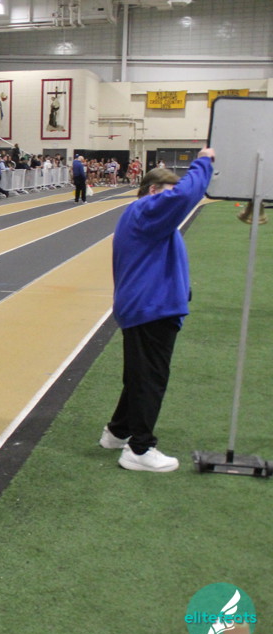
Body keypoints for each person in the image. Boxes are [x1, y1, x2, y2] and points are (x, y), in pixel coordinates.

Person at [99, 148, 216, 473]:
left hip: (147, 305)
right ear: (153, 191)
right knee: (150, 377)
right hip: (151, 307)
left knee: (140, 375)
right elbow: (186, 195)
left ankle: (117, 432)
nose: (173, 201)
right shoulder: (146, 210)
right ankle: (139, 449)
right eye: (167, 192)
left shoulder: (143, 216)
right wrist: (204, 161)